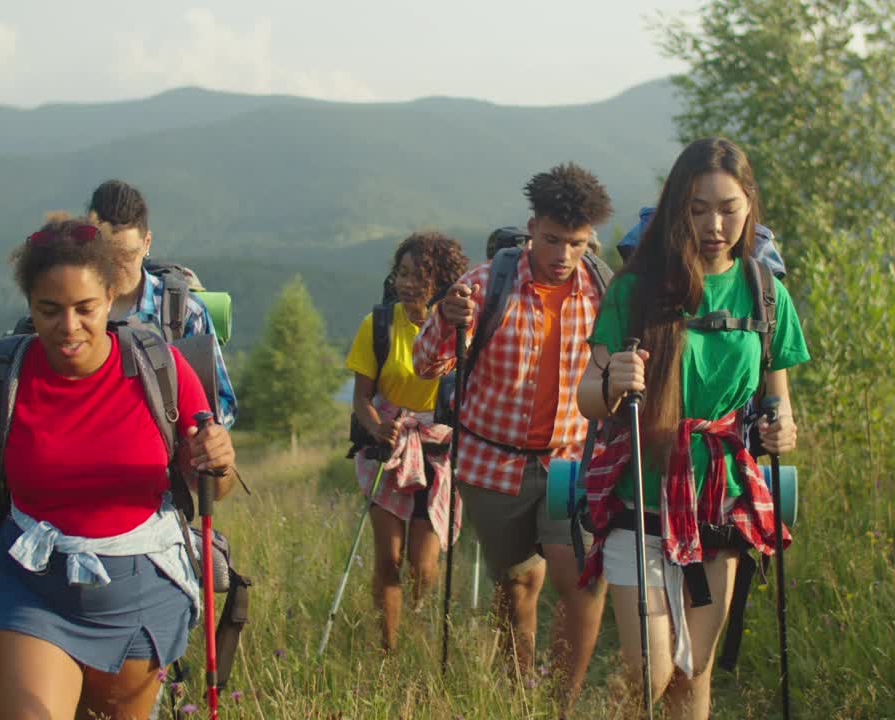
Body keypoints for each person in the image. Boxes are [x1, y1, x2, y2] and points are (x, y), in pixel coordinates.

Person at [0, 217, 237, 718]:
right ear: (28, 305)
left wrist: (219, 463)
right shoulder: (2, 378)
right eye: (49, 310)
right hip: (29, 586)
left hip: (141, 589)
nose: (68, 328)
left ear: (113, 296)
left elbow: (210, 489)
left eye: (85, 308)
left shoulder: (163, 369)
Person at [576, 137, 810, 719]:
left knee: (693, 670)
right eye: (698, 208)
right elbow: (588, 398)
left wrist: (783, 432)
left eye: (729, 208)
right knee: (648, 674)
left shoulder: (766, 294)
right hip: (642, 499)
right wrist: (612, 382)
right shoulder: (634, 289)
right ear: (677, 207)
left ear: (749, 205)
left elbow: (779, 408)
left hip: (722, 500)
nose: (714, 224)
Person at [413, 162, 614, 705]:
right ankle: (517, 697)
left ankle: (560, 705)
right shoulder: (482, 286)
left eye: (576, 243)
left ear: (589, 240)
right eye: (552, 240)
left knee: (584, 582)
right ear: (532, 227)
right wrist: (444, 318)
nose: (563, 255)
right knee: (519, 584)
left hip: (571, 461)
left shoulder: (603, 291)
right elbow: (426, 365)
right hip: (491, 464)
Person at [345, 231, 470, 650]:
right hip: (386, 450)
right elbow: (362, 398)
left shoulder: (460, 333)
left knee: (424, 565)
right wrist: (378, 426)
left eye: (420, 275)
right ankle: (389, 647)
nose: (408, 282)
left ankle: (418, 624)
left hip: (437, 454)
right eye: (402, 272)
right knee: (389, 558)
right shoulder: (378, 324)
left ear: (443, 282)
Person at [87, 179, 238, 429]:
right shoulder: (72, 312)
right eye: (106, 254)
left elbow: (222, 404)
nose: (116, 265)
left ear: (147, 243)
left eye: (127, 254)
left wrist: (200, 433)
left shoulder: (184, 313)